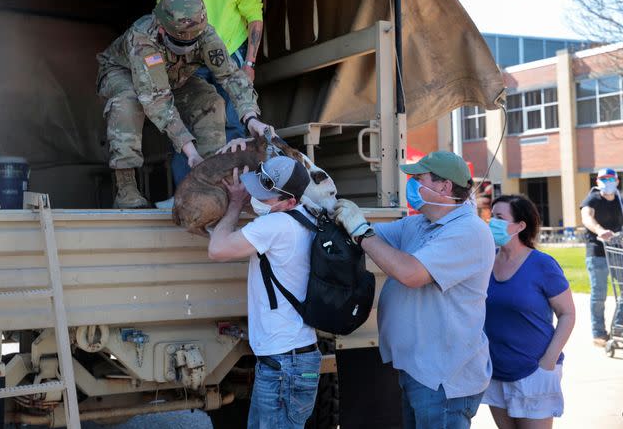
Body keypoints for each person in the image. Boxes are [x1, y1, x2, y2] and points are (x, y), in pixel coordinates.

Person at [335, 151, 495, 429]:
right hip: (419, 371)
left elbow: (410, 273)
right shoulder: (420, 223)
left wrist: (360, 232)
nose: (412, 184)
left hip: (444, 379)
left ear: (444, 187)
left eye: (419, 178)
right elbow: (374, 238)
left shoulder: (469, 231)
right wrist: (336, 211)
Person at [97, 0, 272, 208]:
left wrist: (251, 118)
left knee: (211, 102)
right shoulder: (141, 39)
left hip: (173, 77)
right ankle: (126, 189)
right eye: (179, 44)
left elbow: (231, 76)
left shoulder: (205, 34)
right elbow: (157, 100)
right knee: (127, 103)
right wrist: (190, 152)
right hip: (123, 73)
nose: (186, 47)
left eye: (191, 43)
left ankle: (212, 179)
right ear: (161, 29)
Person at [207, 156, 321, 428]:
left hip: (284, 364)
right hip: (290, 359)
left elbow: (217, 249)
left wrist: (234, 204)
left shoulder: (275, 225)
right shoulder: (306, 217)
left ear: (290, 202)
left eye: (264, 197)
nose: (255, 199)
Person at [157, 0, 264, 186]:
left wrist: (250, 63)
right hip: (188, 56)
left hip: (228, 51)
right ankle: (188, 191)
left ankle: (230, 191)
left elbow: (255, 16)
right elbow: (162, 12)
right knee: (188, 123)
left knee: (231, 122)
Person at [482, 194, 575, 428]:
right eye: (492, 216)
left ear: (520, 225)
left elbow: (568, 314)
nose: (492, 222)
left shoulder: (542, 264)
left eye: (500, 217)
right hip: (496, 372)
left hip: (533, 372)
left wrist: (548, 362)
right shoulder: (485, 262)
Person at [580, 167, 623, 346]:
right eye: (603, 179)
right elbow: (586, 217)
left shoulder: (619, 200)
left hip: (617, 251)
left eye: (610, 179)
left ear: (617, 181)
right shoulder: (593, 198)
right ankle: (598, 333)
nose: (607, 182)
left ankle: (618, 327)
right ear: (597, 182)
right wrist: (599, 230)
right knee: (599, 294)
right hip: (597, 251)